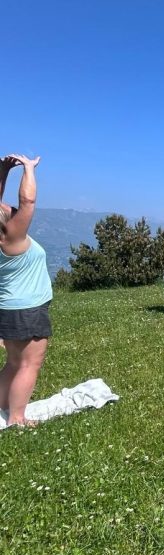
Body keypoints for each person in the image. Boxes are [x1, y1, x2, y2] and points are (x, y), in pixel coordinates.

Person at [0, 154, 52, 427]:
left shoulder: (4, 236)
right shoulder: (12, 237)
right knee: (28, 365)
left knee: (13, 363)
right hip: (27, 309)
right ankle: (17, 418)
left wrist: (3, 172)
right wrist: (29, 170)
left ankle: (3, 406)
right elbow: (27, 202)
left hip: (9, 308)